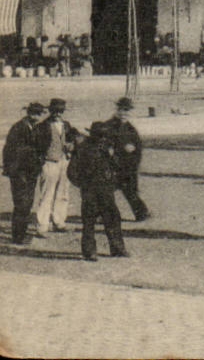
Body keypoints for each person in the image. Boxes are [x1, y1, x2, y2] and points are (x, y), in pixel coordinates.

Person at [69, 121, 128, 261]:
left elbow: (118, 167)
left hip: (106, 190)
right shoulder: (82, 148)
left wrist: (112, 158)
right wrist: (83, 184)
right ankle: (89, 252)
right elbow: (71, 171)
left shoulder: (108, 147)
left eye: (105, 135)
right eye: (100, 135)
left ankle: (117, 248)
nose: (103, 138)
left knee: (113, 219)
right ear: (93, 135)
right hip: (90, 191)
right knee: (89, 222)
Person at [31, 97, 79, 235]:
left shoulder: (67, 125)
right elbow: (36, 146)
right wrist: (42, 159)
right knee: (47, 194)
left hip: (64, 162)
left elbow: (73, 139)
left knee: (63, 194)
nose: (58, 114)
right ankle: (43, 225)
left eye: (60, 111)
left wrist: (71, 145)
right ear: (50, 111)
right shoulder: (42, 127)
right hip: (49, 163)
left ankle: (59, 221)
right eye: (55, 111)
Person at [3, 102, 47, 245]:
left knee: (27, 203)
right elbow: (10, 150)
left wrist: (39, 161)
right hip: (19, 172)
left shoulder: (36, 128)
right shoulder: (18, 128)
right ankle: (18, 236)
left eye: (39, 114)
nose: (38, 116)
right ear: (29, 113)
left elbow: (41, 148)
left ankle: (21, 233)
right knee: (21, 203)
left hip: (31, 171)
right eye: (35, 113)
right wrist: (12, 170)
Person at [105, 97, 149, 221]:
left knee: (131, 191)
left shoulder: (130, 128)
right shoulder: (108, 126)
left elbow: (138, 147)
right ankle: (102, 215)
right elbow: (104, 144)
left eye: (127, 111)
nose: (124, 113)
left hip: (128, 166)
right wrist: (120, 148)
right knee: (105, 192)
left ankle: (141, 213)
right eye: (122, 110)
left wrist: (134, 157)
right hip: (112, 166)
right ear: (117, 110)